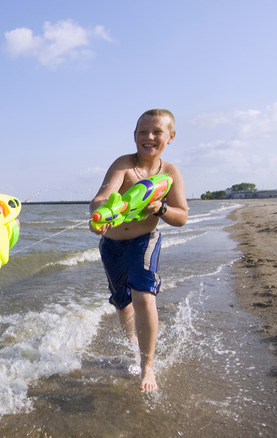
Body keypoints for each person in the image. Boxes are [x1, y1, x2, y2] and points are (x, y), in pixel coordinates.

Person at [88, 109, 188, 392]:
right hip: (111, 244)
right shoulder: (124, 164)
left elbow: (181, 217)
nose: (149, 137)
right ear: (134, 136)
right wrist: (100, 215)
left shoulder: (170, 173)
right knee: (122, 302)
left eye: (156, 131)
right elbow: (102, 196)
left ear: (170, 137)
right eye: (142, 132)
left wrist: (161, 208)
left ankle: (148, 365)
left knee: (144, 298)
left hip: (144, 241)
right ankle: (133, 341)